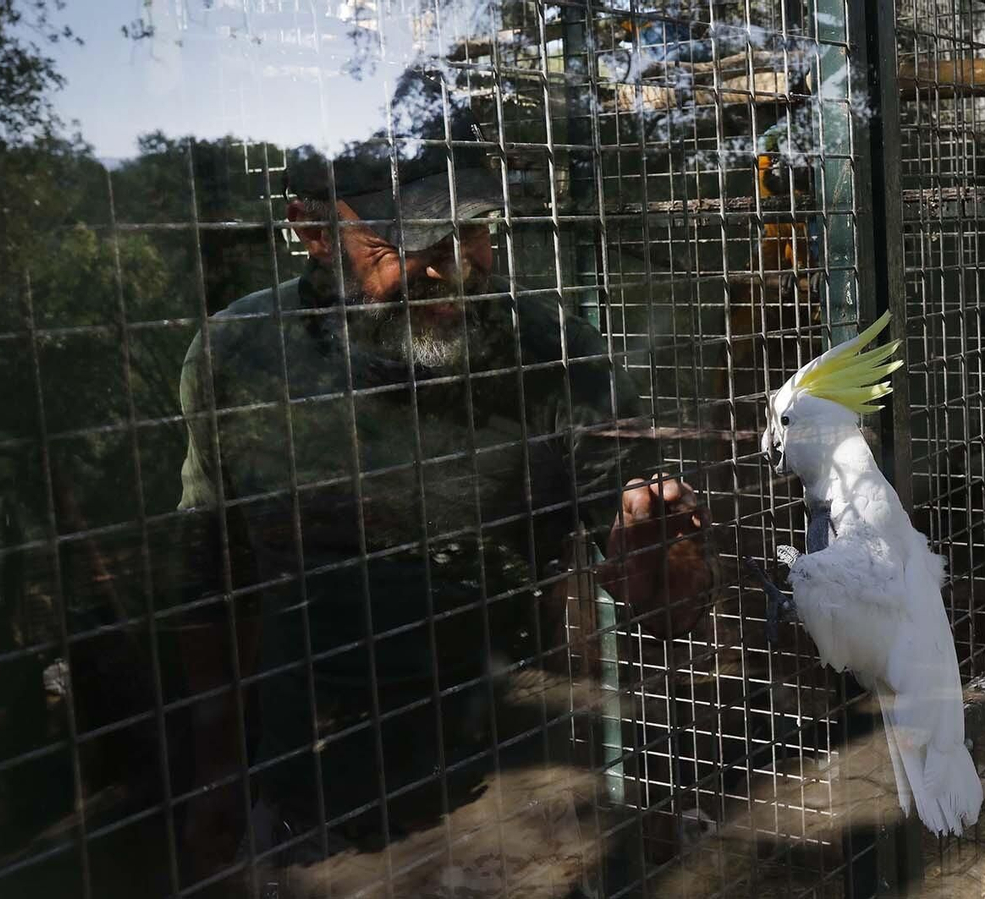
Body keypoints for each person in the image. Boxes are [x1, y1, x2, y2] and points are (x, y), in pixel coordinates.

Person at [170, 90, 713, 895]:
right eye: (416, 238)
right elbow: (211, 582)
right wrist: (217, 780)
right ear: (313, 232)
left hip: (515, 799)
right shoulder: (238, 357)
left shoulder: (555, 357)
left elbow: (671, 602)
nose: (456, 262)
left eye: (473, 229)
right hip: (311, 808)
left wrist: (665, 560)